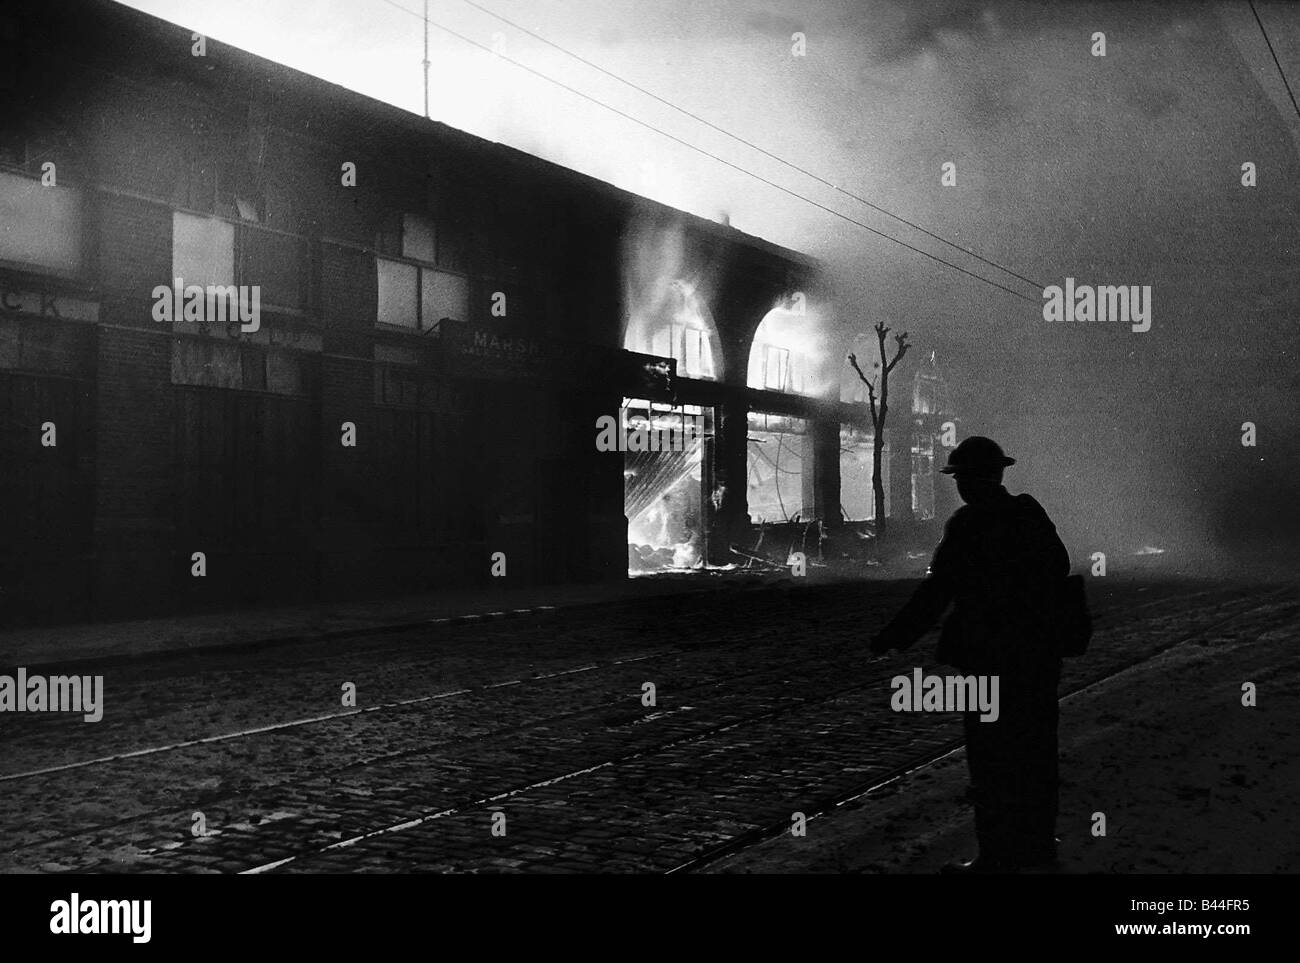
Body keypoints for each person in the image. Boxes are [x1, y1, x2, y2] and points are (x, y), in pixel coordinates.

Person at [870, 436, 1070, 873]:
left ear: (967, 481)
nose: (958, 486)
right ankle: (1037, 852)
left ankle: (997, 857)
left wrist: (893, 636)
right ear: (999, 474)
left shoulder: (967, 524)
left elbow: (937, 591)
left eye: (959, 477)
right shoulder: (1029, 512)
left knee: (992, 760)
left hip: (988, 663)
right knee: (1035, 756)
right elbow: (1058, 567)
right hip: (1037, 659)